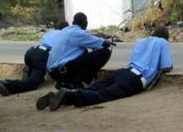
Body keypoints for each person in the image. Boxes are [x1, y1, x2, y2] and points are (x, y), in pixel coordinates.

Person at [40, 27, 173, 111]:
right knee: (104, 95)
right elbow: (166, 67)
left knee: (95, 88)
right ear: (165, 38)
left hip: (123, 71)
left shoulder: (140, 41)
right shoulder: (162, 42)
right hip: (135, 78)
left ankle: (65, 95)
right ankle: (72, 95)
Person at [0, 20, 69, 96]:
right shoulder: (65, 35)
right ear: (66, 29)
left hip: (31, 51)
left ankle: (30, 70)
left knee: (38, 74)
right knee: (32, 83)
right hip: (42, 55)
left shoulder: (49, 33)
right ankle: (7, 84)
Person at [46, 12, 114, 89]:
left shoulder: (65, 31)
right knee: (104, 52)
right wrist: (107, 41)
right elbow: (103, 43)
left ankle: (65, 82)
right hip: (62, 71)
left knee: (83, 51)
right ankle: (78, 82)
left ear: (72, 22)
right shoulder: (78, 33)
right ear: (86, 23)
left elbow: (87, 37)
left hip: (54, 72)